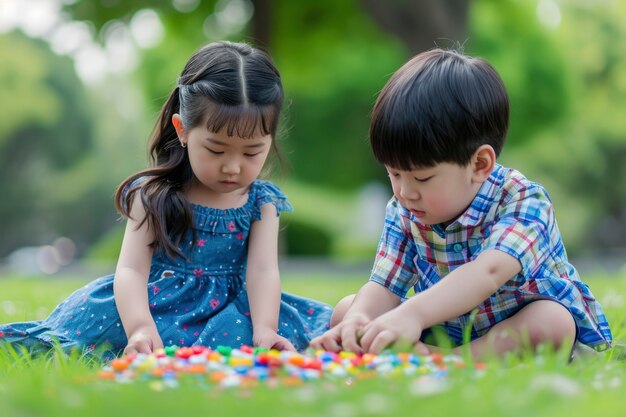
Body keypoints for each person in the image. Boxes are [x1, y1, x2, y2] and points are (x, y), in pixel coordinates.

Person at [0, 41, 332, 357]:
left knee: (326, 327)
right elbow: (130, 269)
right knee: (81, 336)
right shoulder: (154, 196)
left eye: (252, 151)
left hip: (233, 313)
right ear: (183, 129)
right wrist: (140, 328)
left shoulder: (262, 203)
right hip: (154, 307)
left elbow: (262, 272)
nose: (233, 166)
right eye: (216, 149)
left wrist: (264, 329)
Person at [310, 48, 612, 359]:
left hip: (514, 325)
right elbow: (384, 284)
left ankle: (457, 360)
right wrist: (360, 318)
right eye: (394, 174)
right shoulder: (404, 209)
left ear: (480, 164)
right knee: (346, 311)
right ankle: (424, 351)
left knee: (552, 322)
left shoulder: (522, 201)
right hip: (446, 325)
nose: (405, 192)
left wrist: (413, 314)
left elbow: (487, 273)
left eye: (423, 179)